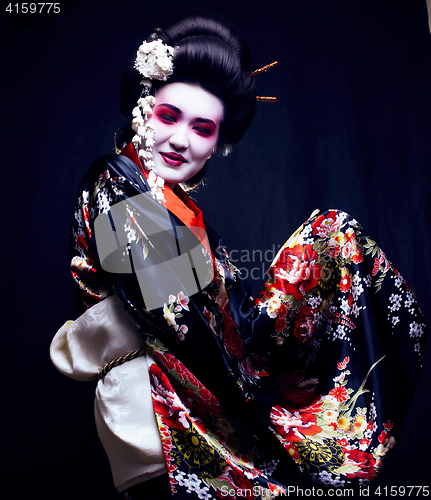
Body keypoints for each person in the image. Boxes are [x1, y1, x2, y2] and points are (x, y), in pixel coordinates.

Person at [50, 10, 426, 500]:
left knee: (330, 234)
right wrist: (258, 401)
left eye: (203, 128)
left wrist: (316, 259)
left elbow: (237, 325)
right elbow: (173, 312)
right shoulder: (114, 183)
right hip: (159, 415)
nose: (181, 140)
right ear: (143, 109)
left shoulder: (187, 215)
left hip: (203, 402)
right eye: (168, 115)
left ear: (217, 146)